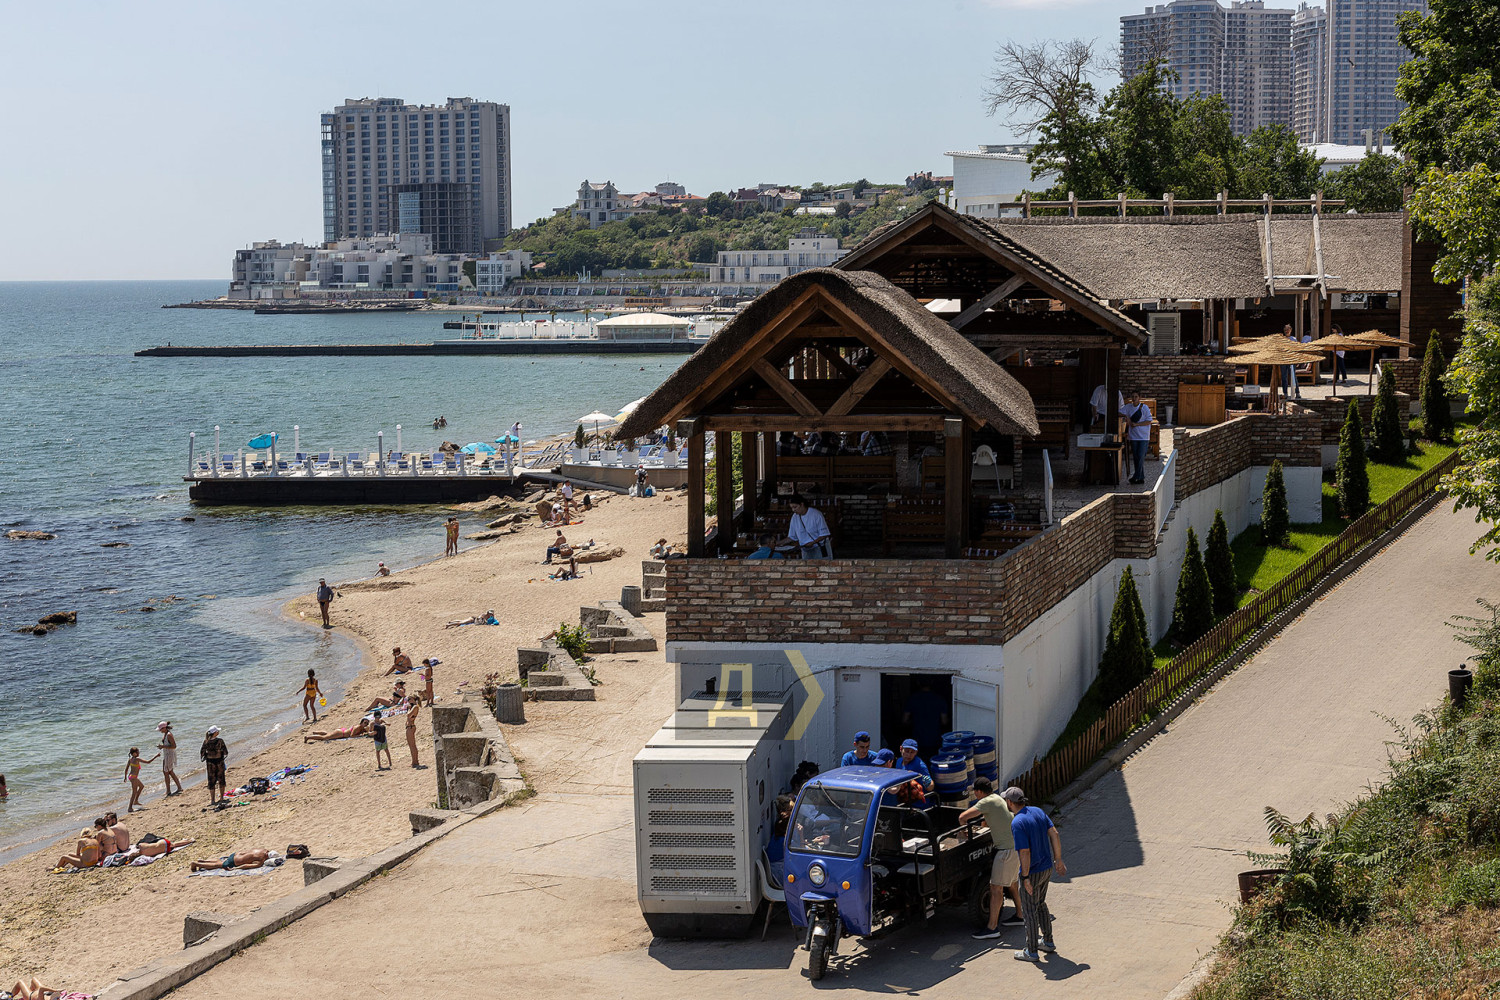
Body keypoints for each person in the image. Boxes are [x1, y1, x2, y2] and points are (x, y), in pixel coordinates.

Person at [1004, 786, 1067, 961]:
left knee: (1029, 910)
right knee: (1040, 904)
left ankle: (1031, 951)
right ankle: (1048, 941)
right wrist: (1058, 859)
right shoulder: (1037, 811)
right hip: (1046, 868)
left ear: (1009, 802)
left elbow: (1024, 852)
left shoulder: (1017, 823)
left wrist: (1025, 877)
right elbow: (1054, 833)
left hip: (1032, 873)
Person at [961, 778, 1024, 940]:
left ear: (978, 791)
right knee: (1012, 883)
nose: (975, 795)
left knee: (995, 888)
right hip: (1015, 847)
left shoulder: (985, 802)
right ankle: (1020, 914)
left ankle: (992, 927)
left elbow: (962, 817)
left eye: (975, 792)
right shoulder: (996, 798)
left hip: (1005, 851)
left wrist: (964, 834)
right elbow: (987, 820)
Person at [902, 679, 950, 757]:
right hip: (935, 739)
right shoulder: (939, 699)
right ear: (932, 682)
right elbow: (944, 721)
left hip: (917, 739)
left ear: (918, 682)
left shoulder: (912, 699)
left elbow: (905, 720)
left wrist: (914, 721)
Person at [785, 494, 832, 559]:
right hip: (805, 550)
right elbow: (792, 537)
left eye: (795, 507)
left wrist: (812, 543)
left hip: (819, 547)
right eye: (792, 508)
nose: (793, 510)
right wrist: (779, 543)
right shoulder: (794, 517)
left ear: (802, 504)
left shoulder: (816, 514)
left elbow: (824, 534)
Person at [1125, 391, 1153, 485]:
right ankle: (1141, 477)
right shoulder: (1128, 407)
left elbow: (1149, 421)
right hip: (1133, 436)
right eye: (1132, 396)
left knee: (1141, 456)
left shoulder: (1144, 408)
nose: (1134, 398)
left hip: (1143, 436)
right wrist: (1127, 418)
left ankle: (1136, 476)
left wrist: (1137, 424)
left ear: (1139, 397)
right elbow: (1120, 412)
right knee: (1136, 457)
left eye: (1136, 396)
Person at [766, 794, 793, 885]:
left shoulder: (778, 824)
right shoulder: (785, 827)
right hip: (778, 871)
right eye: (791, 810)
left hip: (775, 866)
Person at [124, 746, 159, 813]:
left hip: (131, 777)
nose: (139, 753)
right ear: (134, 753)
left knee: (141, 786)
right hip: (134, 777)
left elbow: (126, 769)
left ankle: (136, 801)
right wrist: (156, 756)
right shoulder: (137, 759)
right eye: (137, 752)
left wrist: (125, 777)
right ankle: (130, 808)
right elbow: (148, 762)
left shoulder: (130, 760)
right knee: (134, 792)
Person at [189, 847, 276, 872]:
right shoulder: (261, 859)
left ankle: (203, 861)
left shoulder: (263, 850)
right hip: (236, 861)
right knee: (218, 865)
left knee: (222, 861)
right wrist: (236, 868)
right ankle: (196, 864)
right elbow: (246, 865)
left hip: (236, 854)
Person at [201, 725, 228, 805]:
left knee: (211, 781)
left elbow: (202, 753)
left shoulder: (206, 742)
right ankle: (221, 798)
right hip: (219, 762)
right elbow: (225, 752)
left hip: (210, 763)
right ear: (215, 733)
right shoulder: (220, 741)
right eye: (217, 731)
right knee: (221, 780)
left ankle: (212, 800)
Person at [157, 721, 182, 796]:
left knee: (168, 772)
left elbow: (174, 746)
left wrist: (163, 746)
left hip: (170, 755)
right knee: (168, 772)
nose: (160, 731)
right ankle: (174, 788)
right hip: (167, 755)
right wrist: (163, 747)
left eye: (160, 729)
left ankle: (170, 790)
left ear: (164, 728)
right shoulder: (166, 734)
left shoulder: (169, 735)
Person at [304, 719, 371, 743]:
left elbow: (368, 730)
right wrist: (360, 735)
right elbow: (351, 736)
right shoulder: (357, 727)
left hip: (342, 731)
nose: (366, 724)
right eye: (365, 723)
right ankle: (308, 737)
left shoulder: (361, 727)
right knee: (324, 738)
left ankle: (316, 732)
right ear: (361, 723)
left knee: (328, 733)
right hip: (341, 733)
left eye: (367, 723)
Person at [1282, 324, 1302, 399]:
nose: (1287, 331)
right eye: (1285, 330)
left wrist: (1297, 359)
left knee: (1293, 376)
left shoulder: (1293, 339)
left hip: (1291, 359)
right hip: (1283, 360)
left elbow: (1296, 350)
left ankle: (1297, 392)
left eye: (1288, 329)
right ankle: (1285, 392)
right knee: (1284, 377)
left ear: (1290, 330)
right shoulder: (1282, 339)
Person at [406, 696, 425, 769]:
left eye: (409, 699)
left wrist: (408, 709)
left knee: (412, 746)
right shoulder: (413, 707)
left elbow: (409, 715)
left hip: (410, 727)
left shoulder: (415, 707)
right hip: (409, 727)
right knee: (411, 746)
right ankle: (414, 761)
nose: (408, 700)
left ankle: (415, 761)